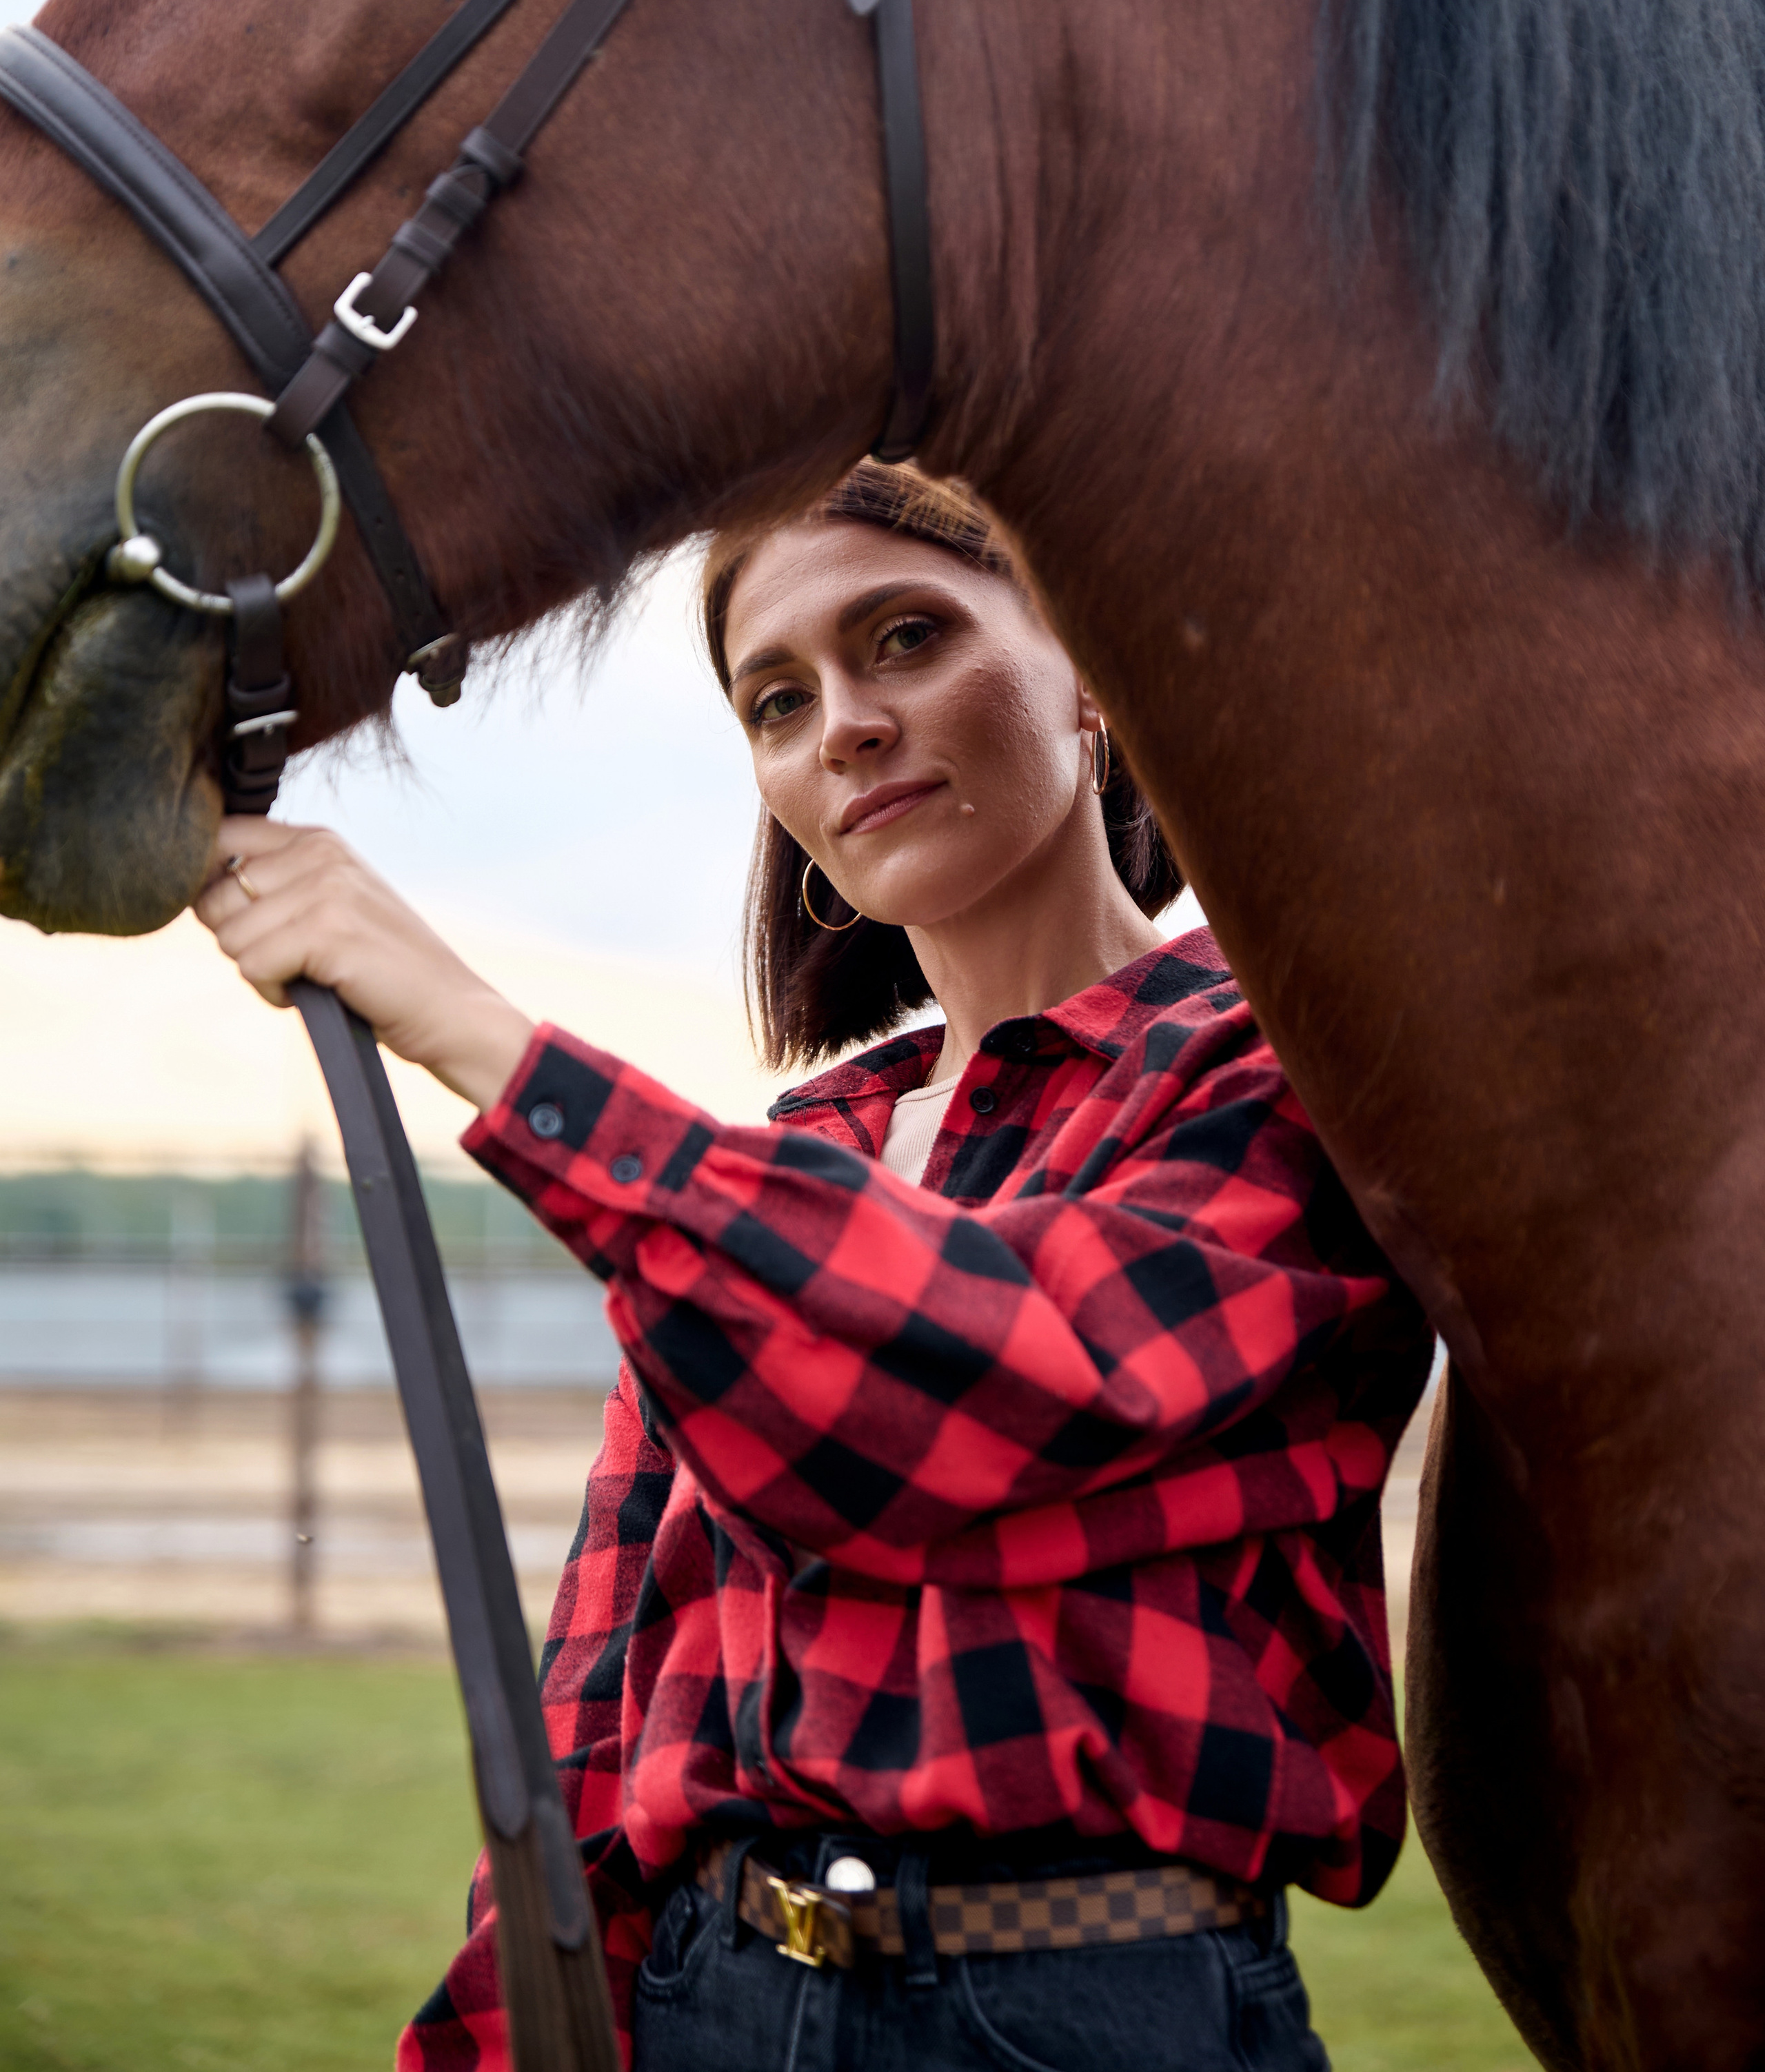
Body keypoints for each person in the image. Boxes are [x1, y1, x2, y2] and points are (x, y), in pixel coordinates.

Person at [196, 463, 1432, 2072]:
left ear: (1095, 675)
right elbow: (608, 1688)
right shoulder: (803, 1156)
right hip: (709, 1992)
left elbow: (978, 1391)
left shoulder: (1279, 1081)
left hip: (1086, 2010)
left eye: (905, 637)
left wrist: (478, 1038)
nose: (839, 723)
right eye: (775, 701)